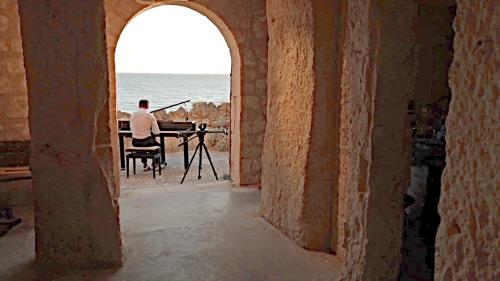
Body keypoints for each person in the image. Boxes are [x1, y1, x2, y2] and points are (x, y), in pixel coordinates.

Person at [130, 99, 161, 170]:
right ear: (147, 106)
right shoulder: (150, 115)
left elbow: (131, 129)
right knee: (158, 146)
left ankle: (145, 164)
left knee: (142, 148)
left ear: (139, 105)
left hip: (135, 142)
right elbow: (156, 132)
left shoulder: (133, 115)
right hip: (146, 141)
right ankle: (155, 164)